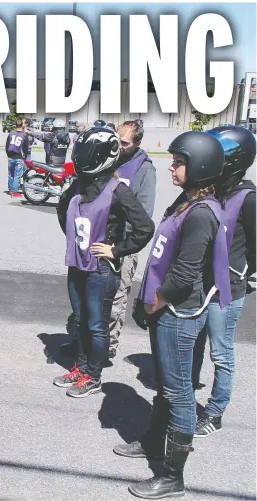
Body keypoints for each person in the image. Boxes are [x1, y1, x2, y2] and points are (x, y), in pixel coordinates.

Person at [114, 131, 231, 499]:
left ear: (199, 168)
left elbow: (184, 274)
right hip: (165, 309)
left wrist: (156, 301)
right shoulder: (187, 201)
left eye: (179, 162)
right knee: (167, 384)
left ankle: (172, 477)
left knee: (179, 392)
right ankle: (153, 442)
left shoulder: (202, 214)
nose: (172, 166)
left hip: (179, 315)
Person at [54, 127, 154, 398]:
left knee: (97, 325)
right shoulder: (78, 184)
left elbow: (145, 227)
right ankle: (81, 367)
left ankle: (93, 376)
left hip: (101, 270)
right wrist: (77, 241)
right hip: (77, 265)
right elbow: (63, 211)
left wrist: (117, 250)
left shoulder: (118, 190)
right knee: (81, 321)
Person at [191, 125, 256, 437]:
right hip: (199, 286)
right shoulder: (211, 190)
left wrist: (241, 273)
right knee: (193, 345)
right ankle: (184, 402)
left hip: (226, 290)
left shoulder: (248, 198)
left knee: (221, 352)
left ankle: (215, 412)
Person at [5, 118, 30, 197]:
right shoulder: (24, 135)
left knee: (10, 174)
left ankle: (10, 189)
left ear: (15, 125)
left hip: (11, 156)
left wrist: (8, 155)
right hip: (19, 156)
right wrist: (25, 156)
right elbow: (26, 147)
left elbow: (7, 145)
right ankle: (15, 191)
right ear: (22, 125)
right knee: (17, 175)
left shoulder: (11, 133)